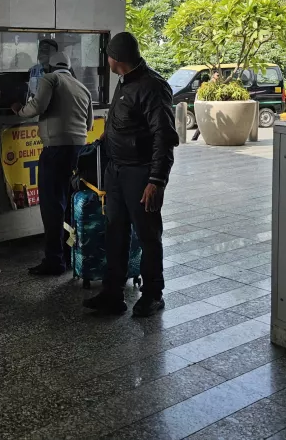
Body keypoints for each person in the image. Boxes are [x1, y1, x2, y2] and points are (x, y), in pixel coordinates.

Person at [83, 32, 178, 317]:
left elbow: (164, 137)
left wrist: (156, 181)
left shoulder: (153, 86)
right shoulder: (124, 82)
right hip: (117, 170)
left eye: (108, 56)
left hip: (141, 173)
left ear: (116, 59)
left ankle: (153, 294)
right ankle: (112, 294)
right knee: (115, 232)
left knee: (148, 236)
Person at [12, 52, 94, 275]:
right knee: (68, 203)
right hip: (79, 151)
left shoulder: (51, 79)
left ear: (49, 65)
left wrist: (19, 109)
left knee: (51, 206)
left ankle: (54, 260)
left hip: (55, 150)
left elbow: (37, 107)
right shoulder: (82, 87)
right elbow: (88, 124)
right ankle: (69, 256)